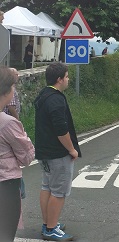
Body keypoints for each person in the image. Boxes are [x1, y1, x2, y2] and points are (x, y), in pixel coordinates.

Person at [34, 62, 79, 241]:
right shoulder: (56, 99)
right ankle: (51, 229)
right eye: (67, 77)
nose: (68, 80)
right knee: (59, 192)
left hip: (44, 151)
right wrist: (72, 150)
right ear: (59, 79)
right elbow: (61, 130)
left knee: (47, 187)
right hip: (57, 153)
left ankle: (48, 223)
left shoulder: (44, 94)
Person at [0, 68, 33, 241]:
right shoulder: (8, 124)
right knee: (5, 235)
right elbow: (27, 156)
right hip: (5, 186)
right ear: (7, 90)